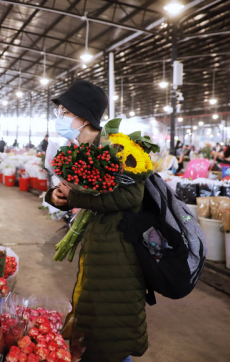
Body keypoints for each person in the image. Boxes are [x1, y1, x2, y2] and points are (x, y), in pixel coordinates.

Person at [44, 80, 147, 362]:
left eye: (65, 112)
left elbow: (132, 196)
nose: (60, 118)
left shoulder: (118, 148)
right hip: (97, 246)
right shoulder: (74, 150)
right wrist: (56, 195)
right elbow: (67, 190)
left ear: (84, 116)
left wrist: (79, 199)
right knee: (93, 322)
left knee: (113, 330)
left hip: (119, 249)